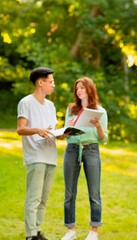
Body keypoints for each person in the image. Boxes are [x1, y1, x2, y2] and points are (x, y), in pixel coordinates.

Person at [61, 77, 108, 240]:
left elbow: (103, 139)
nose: (79, 90)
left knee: (94, 192)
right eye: (77, 88)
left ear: (90, 90)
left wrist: (98, 126)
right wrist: (69, 129)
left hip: (91, 150)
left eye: (82, 87)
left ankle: (94, 231)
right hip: (72, 149)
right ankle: (70, 230)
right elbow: (65, 135)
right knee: (69, 192)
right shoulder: (71, 109)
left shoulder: (100, 111)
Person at [17, 67, 57, 240]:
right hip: (35, 156)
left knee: (44, 199)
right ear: (40, 82)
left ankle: (38, 232)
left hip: (51, 156)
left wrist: (62, 133)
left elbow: (52, 130)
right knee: (33, 198)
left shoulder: (51, 105)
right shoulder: (26, 102)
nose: (53, 85)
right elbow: (20, 129)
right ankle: (30, 235)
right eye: (51, 81)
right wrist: (36, 130)